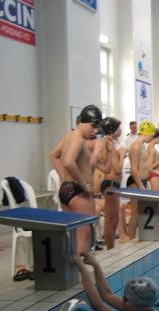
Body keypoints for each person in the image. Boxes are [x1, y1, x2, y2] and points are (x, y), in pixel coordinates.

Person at [56, 105, 109, 255]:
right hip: (78, 192)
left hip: (66, 189)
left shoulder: (69, 137)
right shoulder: (78, 139)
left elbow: (54, 154)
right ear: (84, 122)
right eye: (93, 127)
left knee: (72, 236)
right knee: (84, 237)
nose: (95, 131)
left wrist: (64, 178)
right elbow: (68, 162)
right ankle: (81, 268)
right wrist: (84, 185)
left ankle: (72, 268)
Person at [127, 120, 159, 239]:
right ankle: (130, 239)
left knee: (139, 213)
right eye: (151, 136)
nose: (151, 139)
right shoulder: (136, 146)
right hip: (135, 182)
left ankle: (135, 238)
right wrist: (141, 186)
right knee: (135, 213)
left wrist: (155, 172)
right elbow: (134, 169)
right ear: (147, 133)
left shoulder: (141, 146)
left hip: (141, 181)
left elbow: (144, 166)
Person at [96, 117, 124, 250]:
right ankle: (110, 250)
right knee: (110, 219)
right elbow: (117, 169)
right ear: (112, 129)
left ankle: (111, 247)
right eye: (119, 127)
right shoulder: (107, 144)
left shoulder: (108, 143)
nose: (121, 130)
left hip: (112, 184)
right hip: (110, 184)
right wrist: (122, 155)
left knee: (114, 219)